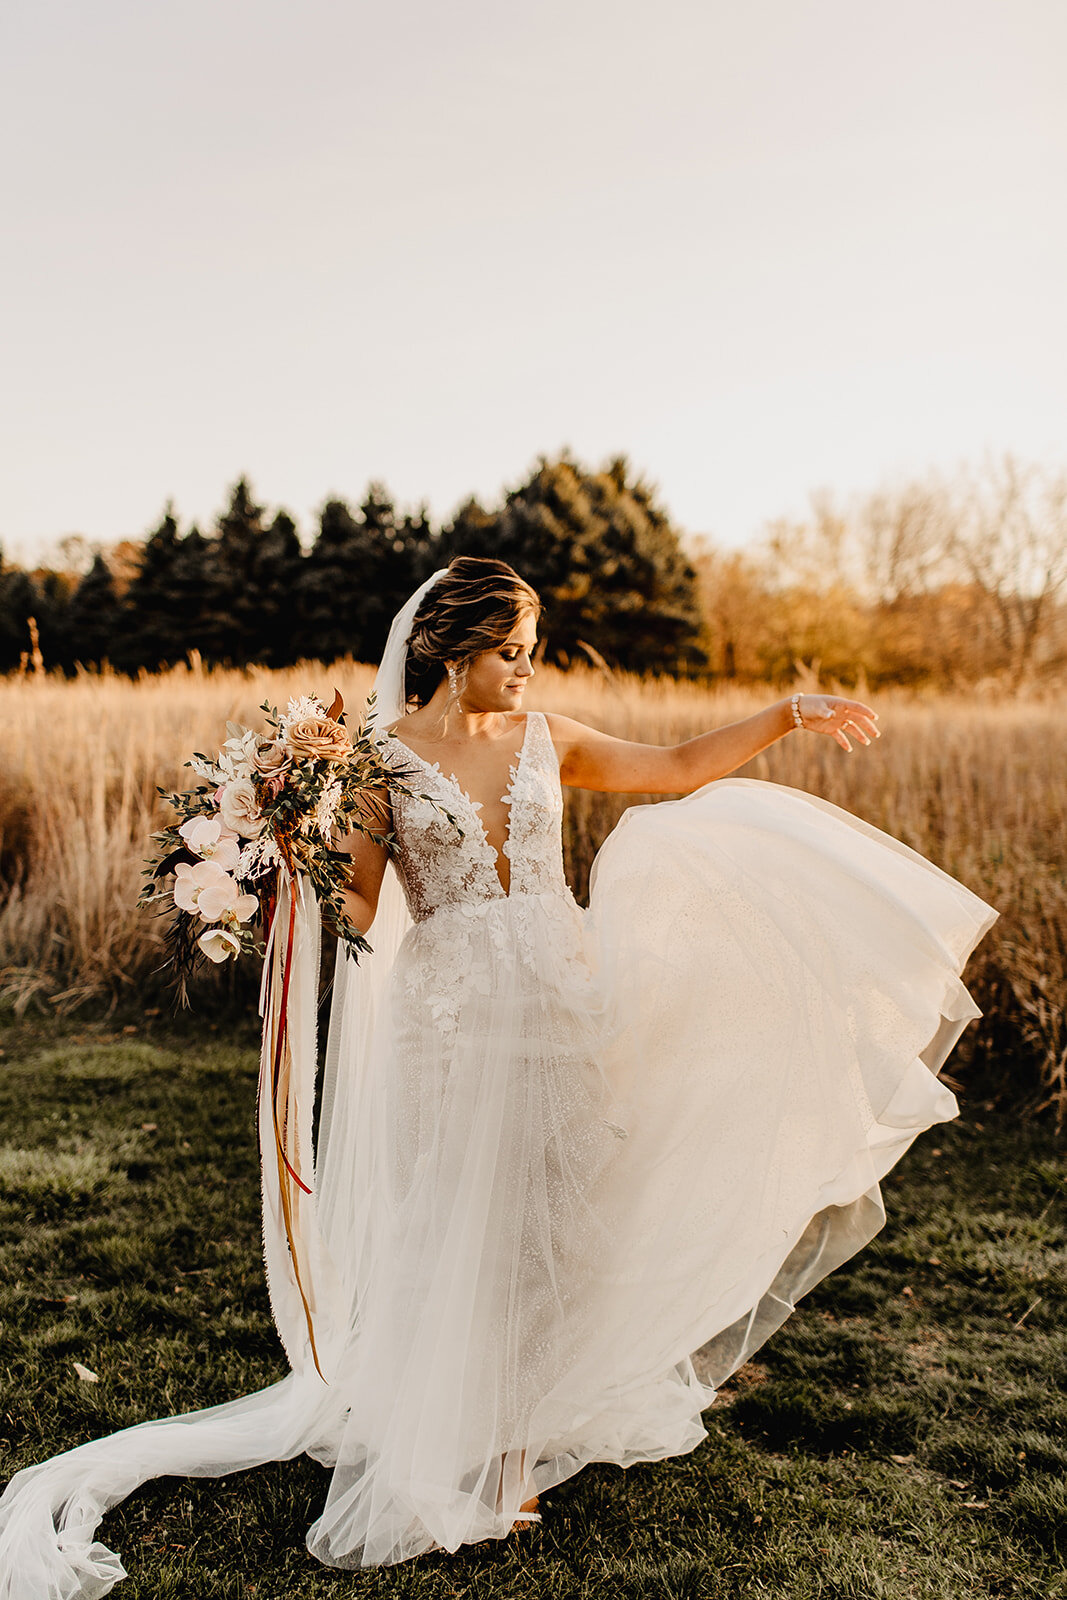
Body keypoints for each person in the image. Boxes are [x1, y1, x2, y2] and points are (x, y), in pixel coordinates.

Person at [0, 557, 996, 1594]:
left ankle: (515, 1435)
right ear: (448, 650)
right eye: (508, 651)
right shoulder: (378, 765)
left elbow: (672, 766)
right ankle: (473, 1444)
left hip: (563, 999)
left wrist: (786, 711)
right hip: (452, 1015)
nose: (525, 668)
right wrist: (290, 854)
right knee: (468, 1223)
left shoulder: (544, 736)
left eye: (532, 651)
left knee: (556, 1221)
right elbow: (362, 905)